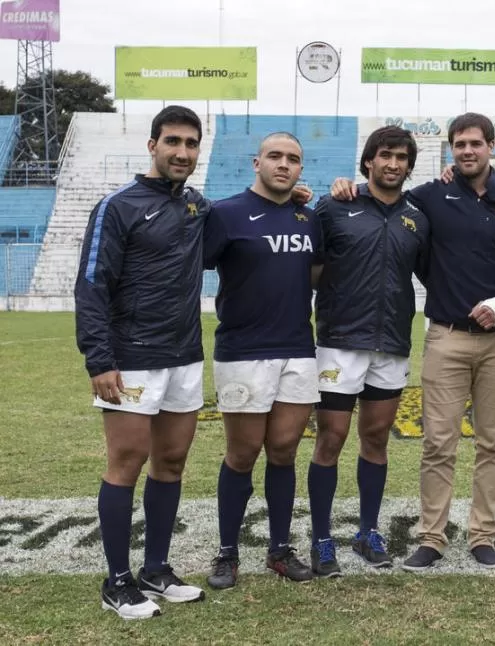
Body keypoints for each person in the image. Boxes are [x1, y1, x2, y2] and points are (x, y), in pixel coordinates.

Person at [330, 113, 495, 570]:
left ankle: (483, 534)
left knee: (493, 442)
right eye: (458, 145)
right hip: (446, 337)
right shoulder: (429, 197)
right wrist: (342, 187)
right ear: (450, 151)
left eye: (475, 143)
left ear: (491, 147)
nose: (467, 151)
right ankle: (431, 536)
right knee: (438, 443)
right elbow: (382, 204)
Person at [75, 106, 208, 619]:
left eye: (191, 143)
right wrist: (99, 359)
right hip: (130, 359)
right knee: (126, 464)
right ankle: (116, 580)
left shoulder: (198, 207)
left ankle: (155, 569)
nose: (182, 152)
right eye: (172, 141)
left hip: (185, 357)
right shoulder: (117, 206)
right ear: (152, 145)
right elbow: (91, 286)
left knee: (170, 463)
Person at [308, 126, 429, 576]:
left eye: (401, 157)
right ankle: (322, 538)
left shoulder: (418, 217)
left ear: (409, 165)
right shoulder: (335, 206)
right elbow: (310, 269)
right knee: (331, 440)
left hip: (392, 345)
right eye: (384, 155)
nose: (393, 163)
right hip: (340, 344)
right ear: (368, 162)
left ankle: (367, 530)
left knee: (376, 440)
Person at [203, 132, 322, 589]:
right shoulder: (226, 214)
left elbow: (315, 274)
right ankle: (227, 553)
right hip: (243, 352)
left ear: (299, 169)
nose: (284, 164)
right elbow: (196, 262)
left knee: (284, 451)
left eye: (293, 158)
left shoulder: (307, 218)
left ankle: (278, 549)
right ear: (257, 162)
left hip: (297, 349)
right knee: (242, 453)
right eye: (275, 156)